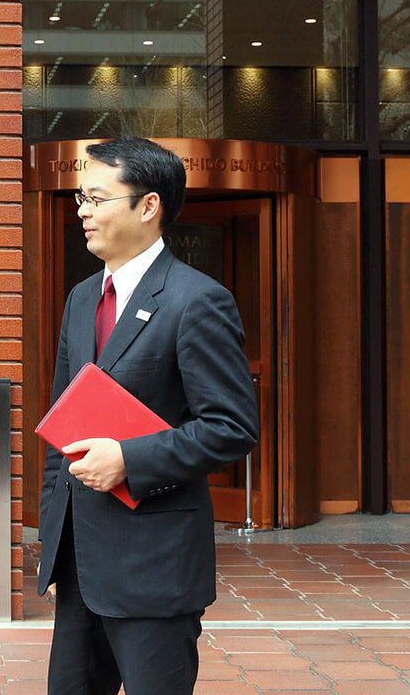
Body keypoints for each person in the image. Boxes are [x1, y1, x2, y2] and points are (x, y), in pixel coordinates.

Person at [38, 136, 260, 694]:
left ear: (148, 205)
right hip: (79, 563)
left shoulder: (196, 300)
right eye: (79, 198)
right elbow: (62, 420)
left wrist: (128, 459)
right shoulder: (83, 296)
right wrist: (53, 533)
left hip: (153, 566)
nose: (83, 211)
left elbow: (231, 427)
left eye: (96, 197)